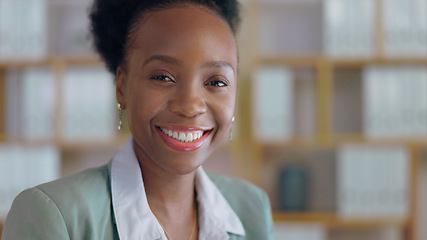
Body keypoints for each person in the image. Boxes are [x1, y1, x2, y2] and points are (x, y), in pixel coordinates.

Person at [2, 0, 273, 239]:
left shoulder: (250, 206)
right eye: (162, 77)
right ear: (122, 87)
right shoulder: (53, 215)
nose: (190, 106)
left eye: (216, 81)